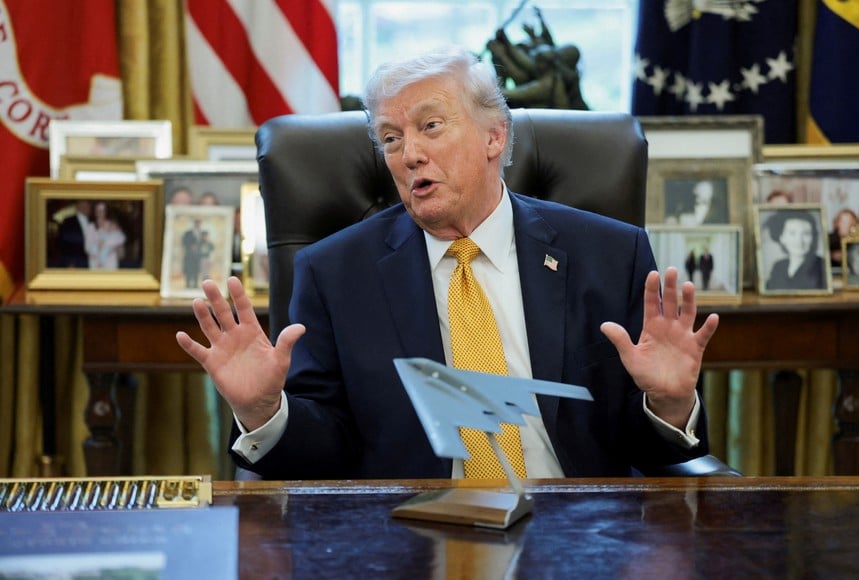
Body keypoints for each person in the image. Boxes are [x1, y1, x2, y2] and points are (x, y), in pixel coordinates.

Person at [176, 47, 719, 480]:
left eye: (430, 127)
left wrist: (669, 404)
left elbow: (645, 456)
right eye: (390, 138)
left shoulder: (609, 253)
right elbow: (324, 454)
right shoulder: (335, 272)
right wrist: (264, 411)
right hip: (409, 538)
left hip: (576, 533)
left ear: (494, 136)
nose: (408, 153)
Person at [765, 210, 826, 290]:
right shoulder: (778, 267)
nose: (799, 241)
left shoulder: (821, 265)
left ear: (813, 237)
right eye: (792, 233)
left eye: (806, 234)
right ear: (782, 237)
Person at [85, 201, 126, 270]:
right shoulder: (90, 227)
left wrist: (108, 244)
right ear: (94, 212)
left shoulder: (112, 225)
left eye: (102, 210)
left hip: (110, 262)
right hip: (95, 262)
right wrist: (98, 246)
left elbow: (120, 240)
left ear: (106, 212)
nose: (100, 213)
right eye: (97, 210)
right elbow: (87, 247)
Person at [54, 200, 92, 268]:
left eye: (87, 206)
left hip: (92, 262)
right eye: (83, 205)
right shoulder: (68, 221)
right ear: (77, 207)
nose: (86, 208)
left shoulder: (93, 221)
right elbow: (62, 243)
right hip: (75, 262)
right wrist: (69, 262)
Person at [181, 218, 204, 289]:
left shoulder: (202, 233)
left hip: (197, 256)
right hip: (189, 255)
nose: (198, 225)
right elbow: (184, 242)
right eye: (196, 223)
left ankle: (195, 284)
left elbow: (205, 243)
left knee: (196, 270)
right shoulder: (188, 233)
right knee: (189, 270)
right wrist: (190, 246)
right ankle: (187, 284)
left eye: (199, 223)